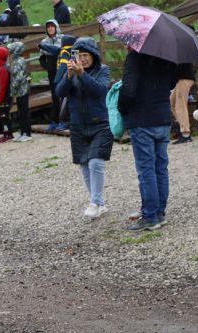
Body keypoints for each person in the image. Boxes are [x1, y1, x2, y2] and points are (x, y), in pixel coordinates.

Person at [117, 48, 177, 231]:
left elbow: (128, 90)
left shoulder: (135, 57)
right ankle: (159, 212)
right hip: (162, 117)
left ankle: (150, 215)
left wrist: (121, 107)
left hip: (142, 119)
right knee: (160, 167)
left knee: (146, 170)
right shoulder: (165, 55)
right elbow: (172, 82)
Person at [55, 37, 113, 219]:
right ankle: (99, 202)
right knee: (83, 164)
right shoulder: (71, 71)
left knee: (96, 161)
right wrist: (69, 76)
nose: (83, 59)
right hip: (78, 124)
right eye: (79, 55)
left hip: (100, 123)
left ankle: (95, 202)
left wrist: (82, 74)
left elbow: (100, 91)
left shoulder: (102, 70)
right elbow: (59, 92)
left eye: (86, 55)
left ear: (93, 55)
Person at [40, 20, 64, 132]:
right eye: (48, 27)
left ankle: (63, 121)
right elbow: (41, 58)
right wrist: (47, 67)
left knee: (63, 95)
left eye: (52, 27)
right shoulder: (44, 41)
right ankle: (54, 121)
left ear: (56, 27)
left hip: (62, 70)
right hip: (52, 71)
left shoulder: (62, 39)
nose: (50, 29)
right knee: (54, 96)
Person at [7, 42, 32, 142]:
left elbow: (18, 77)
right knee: (21, 111)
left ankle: (26, 133)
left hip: (22, 90)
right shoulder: (18, 60)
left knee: (23, 111)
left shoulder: (18, 61)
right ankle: (23, 132)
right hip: (21, 91)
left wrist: (12, 88)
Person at [170, 63, 196, 144]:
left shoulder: (181, 52)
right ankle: (183, 125)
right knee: (172, 102)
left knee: (181, 106)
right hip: (180, 79)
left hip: (184, 78)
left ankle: (186, 134)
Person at [0, 46, 14, 144]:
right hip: (6, 97)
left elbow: (3, 86)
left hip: (4, 98)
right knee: (3, 115)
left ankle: (8, 134)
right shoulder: (3, 67)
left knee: (4, 116)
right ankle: (7, 133)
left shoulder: (2, 70)